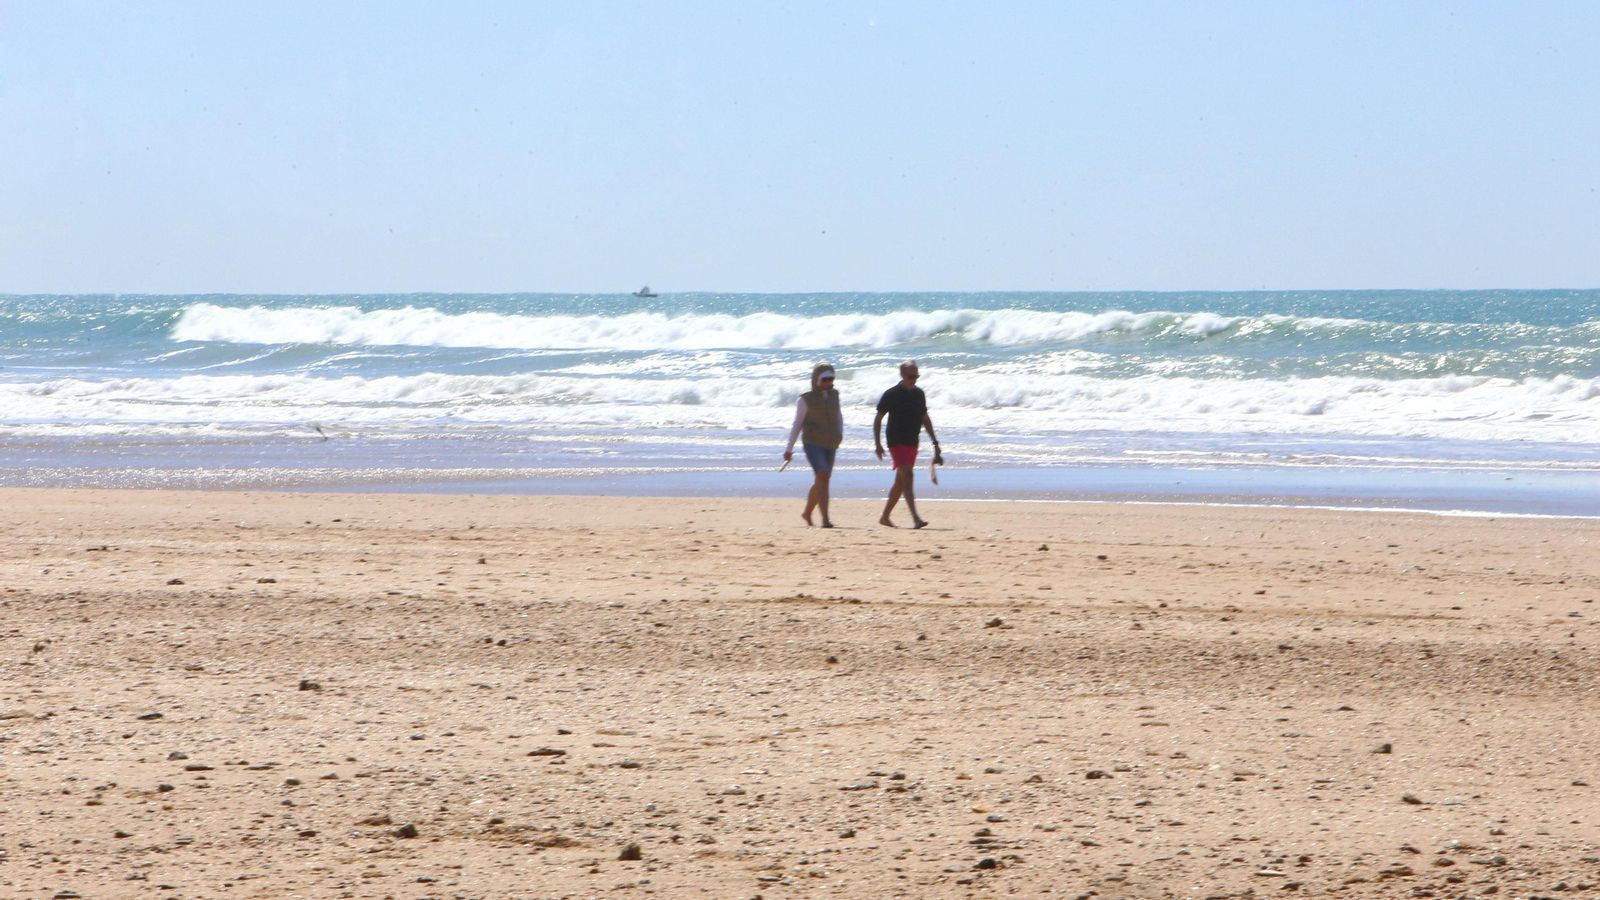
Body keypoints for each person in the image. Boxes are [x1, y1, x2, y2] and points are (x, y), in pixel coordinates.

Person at [874, 359, 939, 528]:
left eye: (916, 376)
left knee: (901, 482)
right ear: (902, 375)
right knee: (908, 476)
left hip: (912, 441)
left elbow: (925, 418)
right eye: (910, 376)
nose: (913, 379)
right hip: (896, 441)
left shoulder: (919, 394)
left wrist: (935, 442)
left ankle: (885, 517)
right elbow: (878, 418)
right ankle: (916, 518)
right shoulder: (891, 394)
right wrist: (878, 444)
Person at [783, 363, 845, 527]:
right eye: (825, 379)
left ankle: (807, 512)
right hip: (813, 443)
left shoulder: (834, 395)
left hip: (831, 441)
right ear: (816, 380)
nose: (828, 383)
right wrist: (789, 448)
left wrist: (840, 434)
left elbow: (839, 417)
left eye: (831, 379)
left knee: (822, 479)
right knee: (823, 474)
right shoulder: (805, 399)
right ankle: (825, 519)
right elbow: (797, 424)